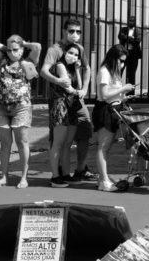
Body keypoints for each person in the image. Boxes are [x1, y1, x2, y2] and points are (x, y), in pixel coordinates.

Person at [40, 20, 97, 182]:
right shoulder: (55, 50)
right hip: (60, 100)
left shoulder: (79, 48)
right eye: (71, 31)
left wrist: (85, 89)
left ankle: (79, 168)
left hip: (75, 100)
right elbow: (43, 71)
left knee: (84, 127)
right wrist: (58, 81)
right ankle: (57, 172)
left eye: (78, 31)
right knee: (58, 137)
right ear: (64, 31)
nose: (75, 34)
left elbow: (86, 68)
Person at [0, 35, 39, 189]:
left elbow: (37, 46)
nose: (12, 53)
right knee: (5, 144)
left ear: (22, 50)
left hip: (21, 106)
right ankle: (4, 176)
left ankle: (24, 177)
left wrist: (23, 44)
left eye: (15, 50)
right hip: (1, 106)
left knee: (22, 141)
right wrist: (7, 47)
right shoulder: (3, 60)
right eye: (9, 50)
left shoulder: (28, 61)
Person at [92, 44, 136, 192]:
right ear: (113, 58)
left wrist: (124, 97)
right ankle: (104, 181)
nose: (122, 64)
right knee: (103, 147)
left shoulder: (115, 72)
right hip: (105, 110)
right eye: (120, 60)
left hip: (115, 109)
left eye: (124, 61)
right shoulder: (104, 71)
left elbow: (114, 93)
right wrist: (123, 89)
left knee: (107, 147)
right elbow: (104, 95)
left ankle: (102, 178)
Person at [47, 42, 90, 188]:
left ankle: (66, 174)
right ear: (65, 52)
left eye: (76, 55)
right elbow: (68, 86)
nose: (73, 56)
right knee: (57, 143)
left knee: (67, 144)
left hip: (72, 107)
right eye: (71, 53)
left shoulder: (73, 67)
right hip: (60, 106)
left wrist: (77, 70)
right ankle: (55, 176)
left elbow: (77, 86)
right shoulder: (60, 66)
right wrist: (78, 92)